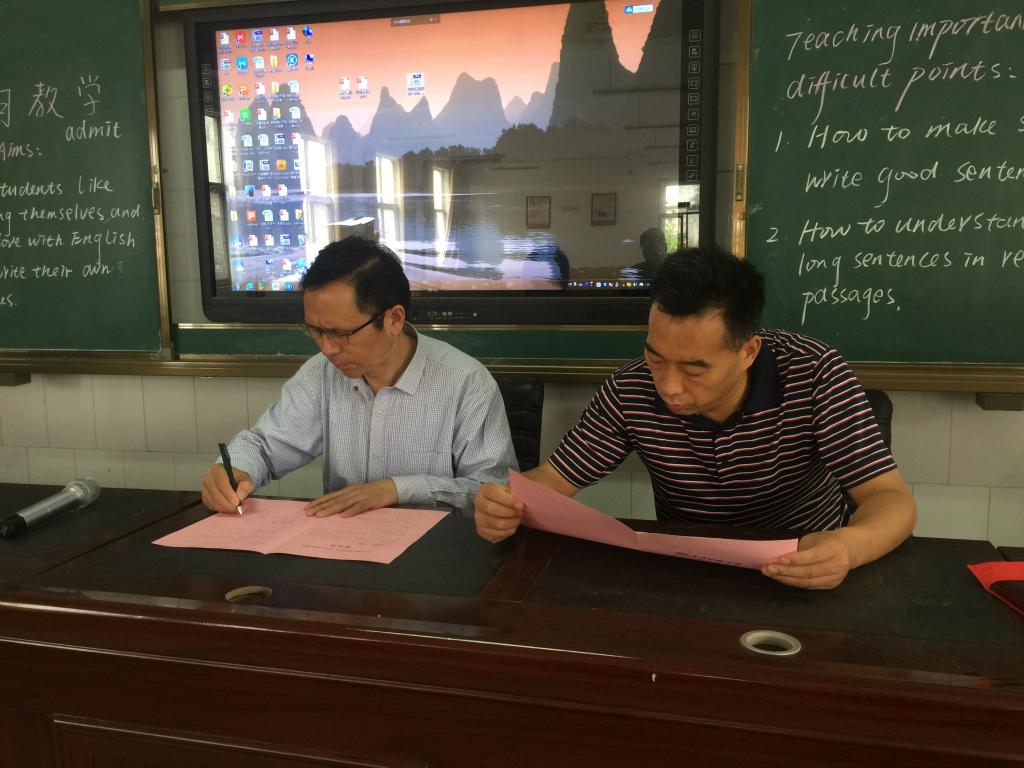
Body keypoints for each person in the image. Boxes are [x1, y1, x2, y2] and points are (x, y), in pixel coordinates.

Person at [475, 245, 916, 590]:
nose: (669, 386)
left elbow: (890, 499)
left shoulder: (813, 374)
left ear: (748, 351)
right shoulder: (631, 388)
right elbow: (554, 479)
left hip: (801, 568)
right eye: (656, 359)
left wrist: (846, 548)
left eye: (694, 369)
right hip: (688, 571)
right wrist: (506, 503)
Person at [202, 236, 518, 518]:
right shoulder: (322, 373)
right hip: (342, 549)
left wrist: (398, 489)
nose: (327, 348)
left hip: (437, 552)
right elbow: (264, 446)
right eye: (315, 331)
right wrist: (236, 470)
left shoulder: (465, 382)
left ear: (394, 319)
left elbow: (495, 491)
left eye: (341, 333)